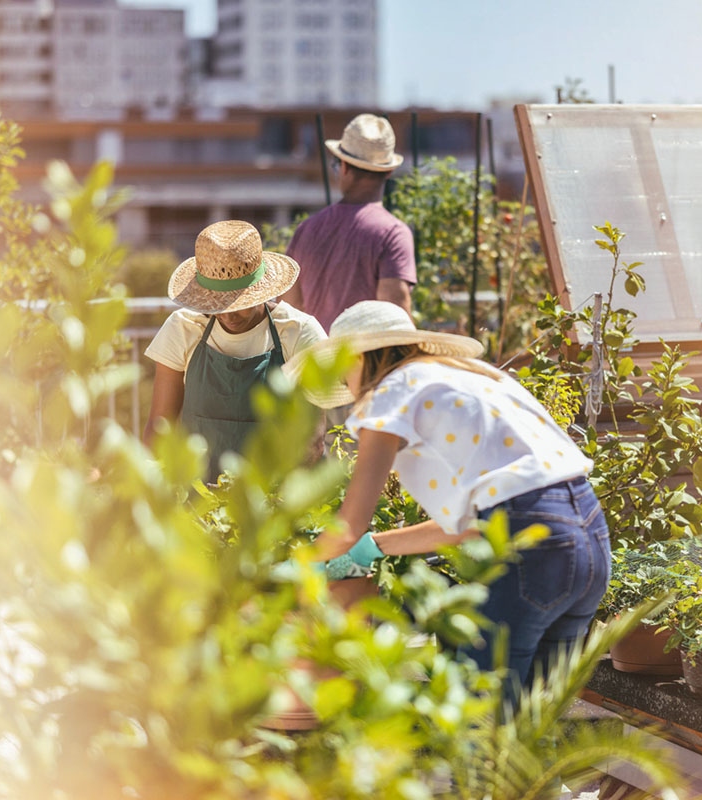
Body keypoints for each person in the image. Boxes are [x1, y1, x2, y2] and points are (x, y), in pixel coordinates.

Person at [289, 300, 610, 697]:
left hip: (534, 551)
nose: (348, 389)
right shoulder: (474, 379)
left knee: (480, 716)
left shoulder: (391, 391)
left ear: (359, 357)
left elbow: (348, 526)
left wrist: (296, 574)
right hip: (591, 540)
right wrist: (374, 547)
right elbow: (483, 522)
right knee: (534, 722)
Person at [143, 220, 327, 477]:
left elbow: (312, 437)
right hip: (199, 494)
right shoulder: (184, 328)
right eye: (217, 304)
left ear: (261, 291)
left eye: (238, 303)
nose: (227, 315)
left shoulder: (299, 332)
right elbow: (160, 426)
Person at [282, 114, 416, 331]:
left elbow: (289, 309)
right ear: (389, 171)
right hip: (367, 362)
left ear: (344, 167)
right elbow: (395, 313)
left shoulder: (306, 230)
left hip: (317, 361)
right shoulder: (393, 233)